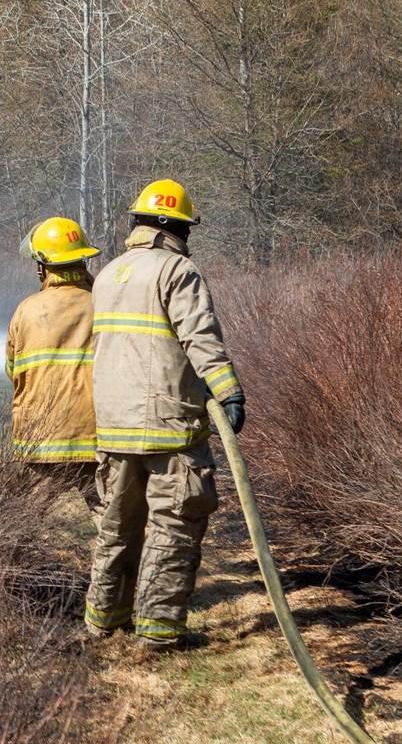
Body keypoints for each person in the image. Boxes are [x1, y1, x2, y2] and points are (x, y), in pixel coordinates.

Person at [86, 179, 246, 649]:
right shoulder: (178, 271)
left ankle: (103, 623)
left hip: (112, 428)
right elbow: (201, 338)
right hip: (168, 427)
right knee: (173, 527)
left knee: (116, 529)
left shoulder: (111, 272)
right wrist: (228, 392)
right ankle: (157, 635)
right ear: (173, 226)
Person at [5, 216, 101, 508]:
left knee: (21, 523)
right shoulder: (103, 303)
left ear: (43, 265)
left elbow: (13, 370)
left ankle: (6, 557)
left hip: (41, 439)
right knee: (116, 526)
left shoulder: (26, 310)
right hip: (97, 438)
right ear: (81, 260)